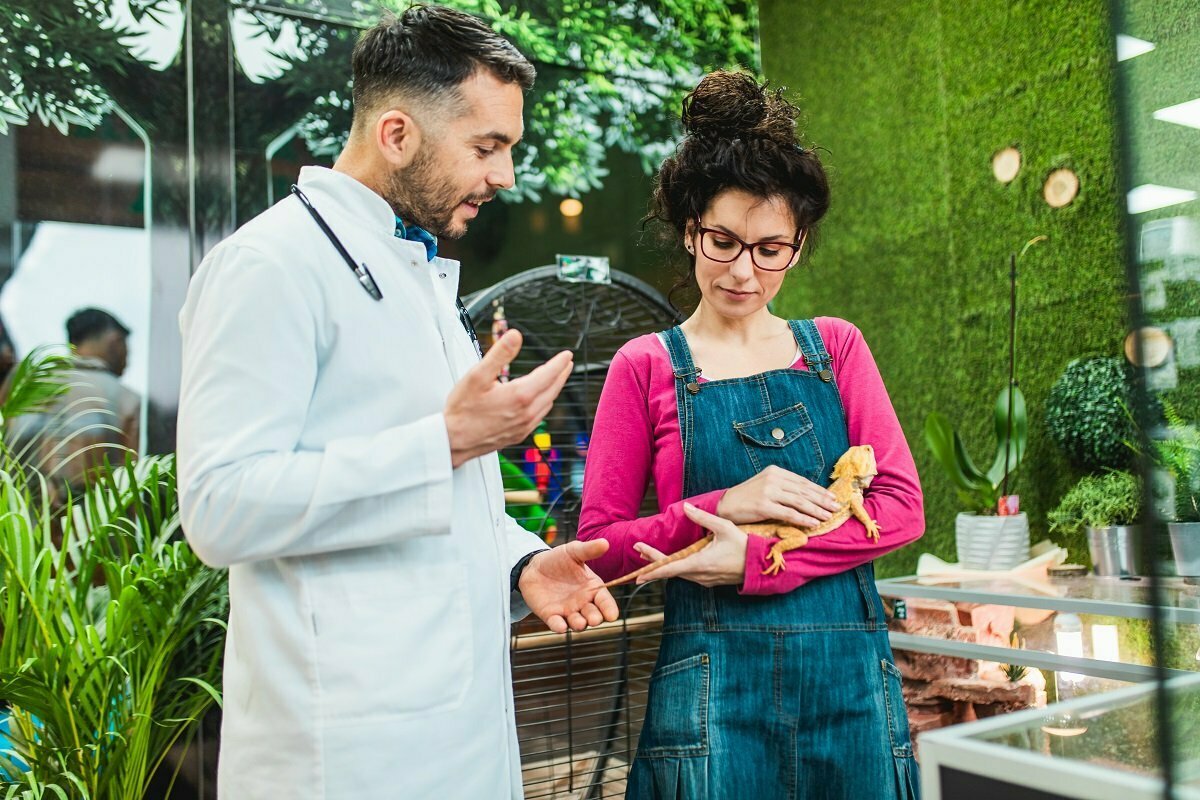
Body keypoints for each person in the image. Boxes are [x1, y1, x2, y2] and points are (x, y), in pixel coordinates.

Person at [175, 6, 618, 798]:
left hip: (459, 732)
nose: (505, 177)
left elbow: (442, 502)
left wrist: (521, 563)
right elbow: (219, 508)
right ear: (396, 134)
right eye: (488, 147)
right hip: (343, 757)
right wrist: (445, 441)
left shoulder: (417, 272)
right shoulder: (267, 266)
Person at [577, 71, 924, 799]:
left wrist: (760, 559)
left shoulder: (836, 349)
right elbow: (599, 553)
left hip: (850, 697)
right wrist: (721, 510)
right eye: (723, 241)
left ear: (799, 245)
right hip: (712, 700)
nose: (744, 272)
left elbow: (899, 507)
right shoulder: (646, 367)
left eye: (772, 250)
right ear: (688, 229)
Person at [4, 307, 140, 502]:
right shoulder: (124, 400)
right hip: (92, 527)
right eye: (128, 348)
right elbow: (134, 484)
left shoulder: (26, 387)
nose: (129, 359)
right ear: (115, 342)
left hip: (19, 527)